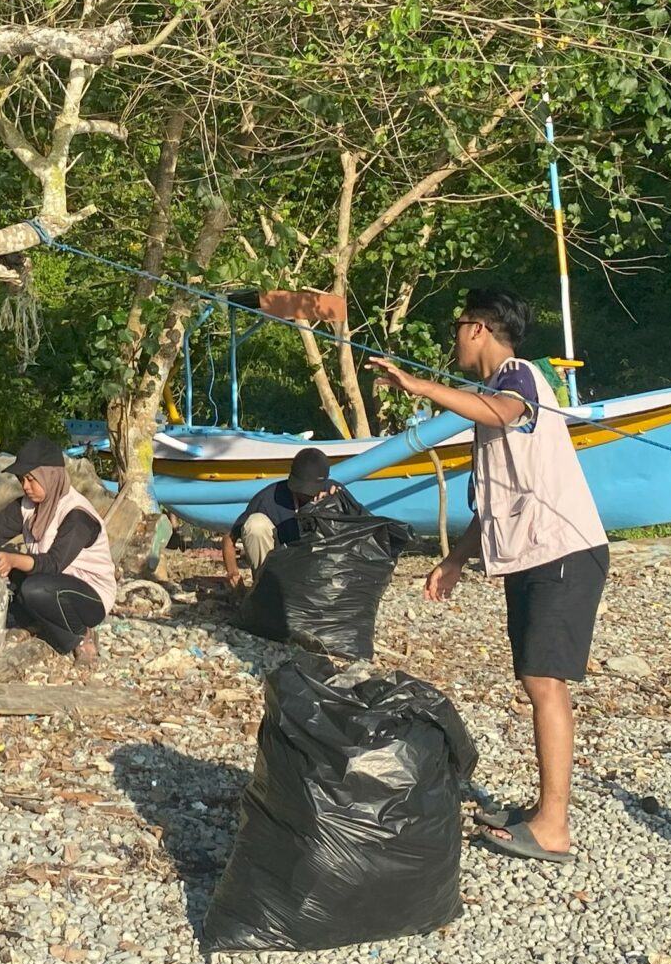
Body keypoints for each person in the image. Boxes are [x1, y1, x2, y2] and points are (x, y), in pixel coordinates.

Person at [367, 287, 607, 864]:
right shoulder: (490, 393)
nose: (453, 338)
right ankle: (544, 809)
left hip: (563, 552)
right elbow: (492, 502)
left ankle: (554, 826)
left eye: (457, 325)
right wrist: (454, 562)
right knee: (533, 680)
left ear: (477, 328)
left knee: (546, 683)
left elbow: (506, 411)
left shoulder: (517, 376)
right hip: (532, 555)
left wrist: (420, 386)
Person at [0, 437, 119, 662]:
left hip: (87, 596)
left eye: (32, 480)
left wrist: (13, 560)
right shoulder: (28, 505)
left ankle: (79, 635)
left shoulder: (77, 515)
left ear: (50, 477)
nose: (26, 486)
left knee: (35, 589)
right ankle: (33, 622)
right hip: (48, 581)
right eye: (22, 479)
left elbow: (53, 564)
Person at [222, 446, 352, 588]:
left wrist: (332, 507)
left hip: (324, 576)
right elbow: (229, 539)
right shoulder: (269, 498)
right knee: (255, 524)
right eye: (301, 489)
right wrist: (233, 572)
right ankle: (265, 589)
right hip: (280, 571)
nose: (305, 494)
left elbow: (364, 531)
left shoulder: (335, 494)